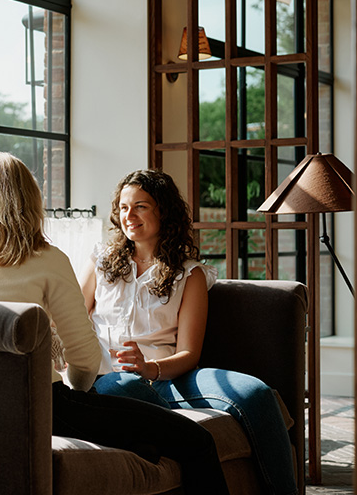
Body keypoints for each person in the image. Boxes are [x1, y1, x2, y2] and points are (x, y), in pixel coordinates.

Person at [0, 153, 230, 494]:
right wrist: (80, 398)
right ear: (32, 202)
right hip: (39, 405)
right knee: (196, 440)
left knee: (140, 434)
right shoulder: (48, 259)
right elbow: (84, 360)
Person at [80, 168, 297, 495]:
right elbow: (74, 320)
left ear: (163, 210)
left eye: (141, 206)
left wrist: (149, 368)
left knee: (257, 393)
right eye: (124, 207)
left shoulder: (189, 273)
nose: (129, 215)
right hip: (109, 378)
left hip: (169, 378)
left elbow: (189, 354)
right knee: (122, 387)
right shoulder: (101, 262)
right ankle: (178, 431)